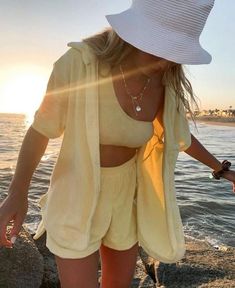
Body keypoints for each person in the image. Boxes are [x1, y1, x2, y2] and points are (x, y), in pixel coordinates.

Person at [0, 0, 235, 287]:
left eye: (174, 52)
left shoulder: (165, 80)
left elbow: (179, 135)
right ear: (135, 33)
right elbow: (40, 130)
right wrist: (17, 192)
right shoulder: (79, 63)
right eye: (161, 48)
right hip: (75, 195)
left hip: (126, 197)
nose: (167, 62)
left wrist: (222, 170)